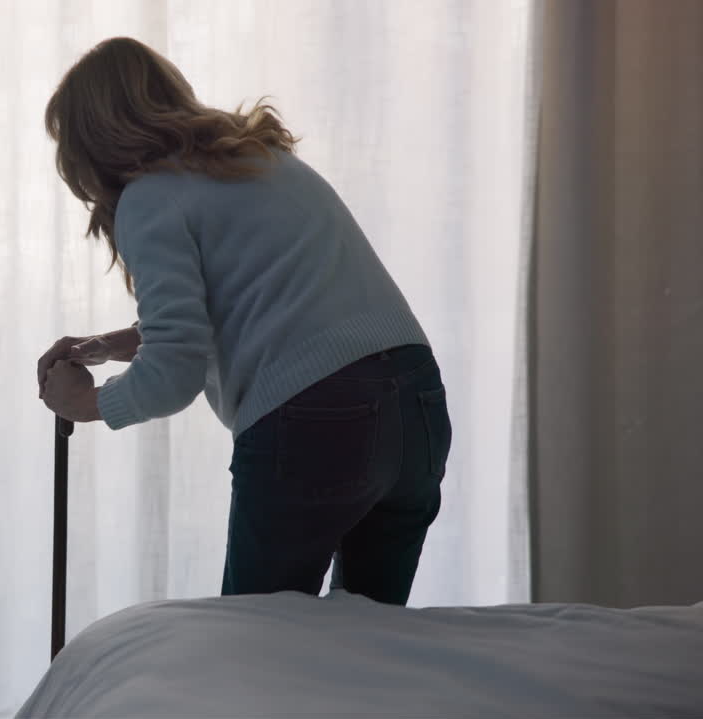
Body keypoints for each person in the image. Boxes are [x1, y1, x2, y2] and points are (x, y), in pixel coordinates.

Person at [36, 37, 452, 606]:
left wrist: (86, 404)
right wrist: (110, 345)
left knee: (254, 640)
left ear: (89, 146)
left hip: (318, 417)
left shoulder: (149, 197)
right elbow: (255, 306)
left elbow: (176, 373)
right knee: (367, 638)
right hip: (417, 403)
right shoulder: (261, 159)